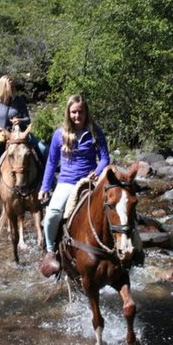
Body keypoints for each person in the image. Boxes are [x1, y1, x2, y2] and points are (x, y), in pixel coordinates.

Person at [38, 94, 110, 277]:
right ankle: (49, 250)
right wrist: (44, 187)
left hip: (89, 180)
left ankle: (129, 248)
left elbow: (105, 158)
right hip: (67, 181)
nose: (77, 116)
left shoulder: (95, 131)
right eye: (74, 112)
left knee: (116, 206)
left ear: (86, 113)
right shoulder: (59, 134)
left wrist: (98, 170)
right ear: (68, 113)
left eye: (80, 112)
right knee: (53, 214)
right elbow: (51, 163)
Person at [0, 75, 46, 203]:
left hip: (20, 134)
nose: (12, 89)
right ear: (2, 87)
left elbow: (28, 119)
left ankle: (46, 183)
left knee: (43, 149)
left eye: (13, 86)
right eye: (9, 87)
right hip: (2, 136)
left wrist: (20, 120)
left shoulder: (19, 101)